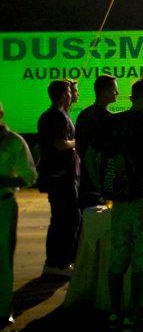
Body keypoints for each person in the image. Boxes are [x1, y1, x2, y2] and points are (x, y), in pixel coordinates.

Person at [87, 77, 143, 328]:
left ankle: (114, 310)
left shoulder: (112, 122)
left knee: (118, 257)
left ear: (132, 97)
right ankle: (133, 312)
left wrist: (102, 187)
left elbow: (90, 157)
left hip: (119, 201)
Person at [0, 101, 38, 327]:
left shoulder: (14, 142)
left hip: (3, 204)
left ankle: (3, 311)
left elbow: (30, 176)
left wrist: (7, 180)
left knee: (3, 259)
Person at [37, 79, 79, 278]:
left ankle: (60, 260)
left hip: (64, 175)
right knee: (66, 218)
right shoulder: (55, 117)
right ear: (63, 95)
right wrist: (76, 143)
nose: (73, 95)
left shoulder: (60, 115)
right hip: (60, 176)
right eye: (70, 92)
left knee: (64, 217)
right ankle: (57, 262)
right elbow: (60, 144)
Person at [75, 74, 119, 212]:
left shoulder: (84, 115)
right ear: (104, 91)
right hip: (102, 178)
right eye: (114, 90)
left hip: (83, 178)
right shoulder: (109, 119)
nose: (117, 93)